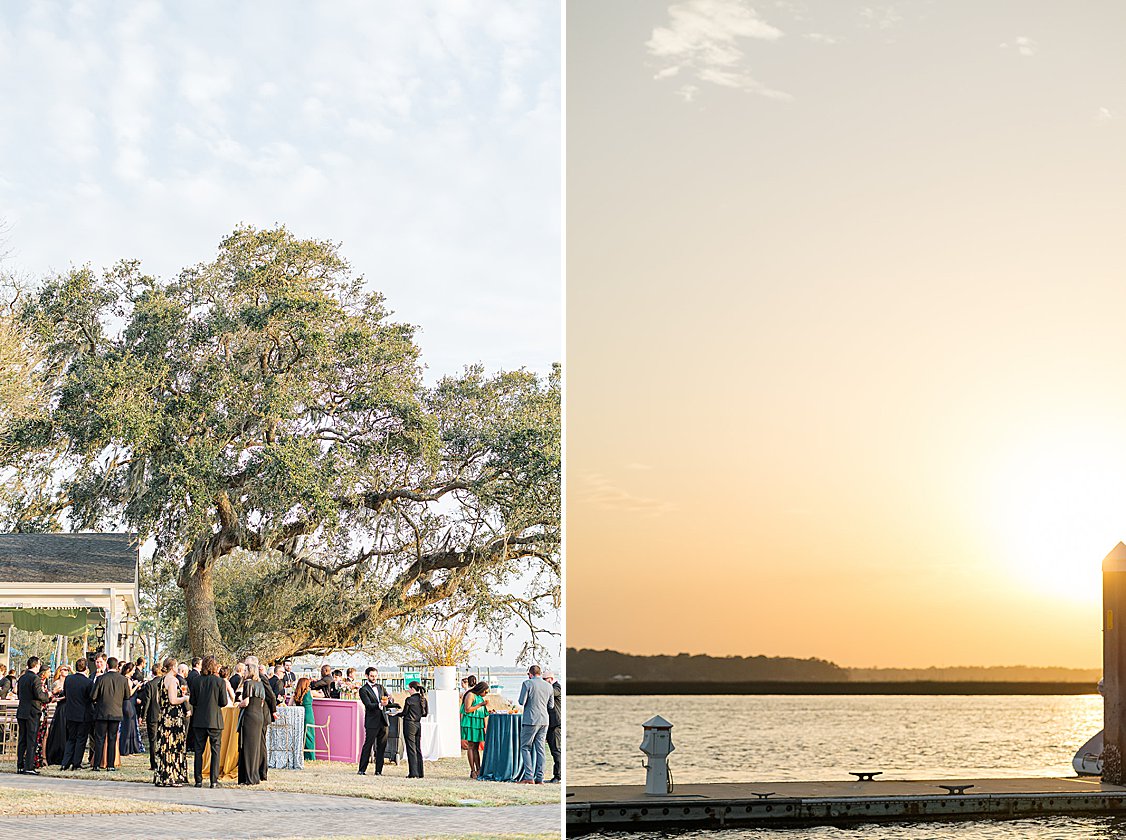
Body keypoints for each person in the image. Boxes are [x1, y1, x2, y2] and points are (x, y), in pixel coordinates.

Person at [192, 656, 228, 789]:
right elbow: (223, 702)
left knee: (198, 751)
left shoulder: (196, 681)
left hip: (199, 720)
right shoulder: (219, 682)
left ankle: (198, 780)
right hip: (214, 720)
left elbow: (193, 701)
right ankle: (213, 780)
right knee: (215, 750)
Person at [154, 656, 190, 787]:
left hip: (164, 715)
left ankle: (163, 775)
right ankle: (172, 776)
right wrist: (185, 698)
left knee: (165, 746)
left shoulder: (161, 680)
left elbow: (159, 699)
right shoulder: (173, 681)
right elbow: (173, 700)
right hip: (173, 717)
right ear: (173, 667)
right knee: (174, 746)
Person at [90, 656, 130, 771]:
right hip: (116, 712)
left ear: (107, 665)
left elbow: (93, 696)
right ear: (117, 666)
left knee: (99, 739)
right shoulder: (123, 679)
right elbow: (127, 696)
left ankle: (97, 764)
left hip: (101, 712)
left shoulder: (101, 679)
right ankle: (110, 765)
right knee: (112, 738)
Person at [517, 664, 554, 785]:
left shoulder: (527, 683)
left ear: (530, 673)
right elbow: (551, 706)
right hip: (544, 720)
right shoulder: (549, 686)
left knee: (525, 747)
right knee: (541, 749)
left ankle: (529, 776)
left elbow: (522, 701)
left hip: (531, 720)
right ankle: (540, 778)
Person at [16, 656, 49, 774]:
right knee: (31, 739)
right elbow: (39, 695)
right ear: (36, 665)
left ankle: (20, 765)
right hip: (32, 712)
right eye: (39, 664)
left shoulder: (22, 678)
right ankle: (29, 767)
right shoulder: (35, 679)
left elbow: (19, 694)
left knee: (22, 739)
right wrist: (48, 695)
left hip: (22, 711)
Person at [236, 666, 270, 785]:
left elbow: (246, 702)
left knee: (247, 747)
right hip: (259, 716)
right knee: (255, 747)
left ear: (249, 672)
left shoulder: (248, 683)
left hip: (249, 716)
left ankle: (248, 777)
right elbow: (261, 702)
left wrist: (238, 705)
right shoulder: (260, 684)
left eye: (245, 671)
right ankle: (254, 776)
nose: (244, 672)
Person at [61, 658, 94, 771]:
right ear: (86, 668)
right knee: (81, 739)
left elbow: (65, 693)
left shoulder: (68, 679)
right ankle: (76, 763)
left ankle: (65, 762)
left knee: (71, 738)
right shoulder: (88, 682)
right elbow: (91, 697)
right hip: (83, 714)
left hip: (70, 713)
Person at [358, 666, 391, 776]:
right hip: (372, 721)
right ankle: (362, 769)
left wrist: (390, 700)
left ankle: (378, 771)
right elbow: (368, 705)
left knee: (382, 747)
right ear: (366, 676)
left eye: (375, 676)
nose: (374, 678)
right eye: (372, 676)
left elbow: (387, 700)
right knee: (368, 745)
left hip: (383, 721)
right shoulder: (363, 690)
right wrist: (380, 704)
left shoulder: (381, 687)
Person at [137, 664, 164, 771]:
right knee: (163, 739)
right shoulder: (165, 682)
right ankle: (163, 761)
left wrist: (142, 716)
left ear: (152, 672)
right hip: (163, 714)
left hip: (153, 715)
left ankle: (153, 763)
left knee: (153, 740)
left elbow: (147, 701)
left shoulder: (150, 685)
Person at [461, 680, 489, 779]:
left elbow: (482, 713)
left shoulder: (480, 697)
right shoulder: (470, 695)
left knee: (476, 747)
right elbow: (467, 710)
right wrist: (480, 705)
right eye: (485, 692)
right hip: (470, 723)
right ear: (480, 690)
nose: (486, 694)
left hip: (478, 724)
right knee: (471, 746)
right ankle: (472, 770)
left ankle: (479, 769)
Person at [401, 681, 428, 779]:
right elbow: (425, 713)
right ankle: (420, 772)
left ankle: (413, 772)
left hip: (409, 724)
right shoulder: (423, 699)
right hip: (418, 724)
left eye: (409, 688)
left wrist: (396, 713)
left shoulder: (409, 699)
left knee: (411, 748)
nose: (408, 690)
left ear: (412, 689)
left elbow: (404, 712)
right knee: (417, 748)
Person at [45, 663, 70, 766]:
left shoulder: (69, 681)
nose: (65, 671)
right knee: (59, 730)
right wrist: (58, 696)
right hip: (60, 707)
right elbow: (53, 696)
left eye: (67, 670)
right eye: (64, 670)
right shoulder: (56, 683)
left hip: (67, 707)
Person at [118, 661, 141, 756]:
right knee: (127, 726)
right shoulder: (126, 680)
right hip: (127, 703)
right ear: (128, 670)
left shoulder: (125, 679)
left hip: (128, 704)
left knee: (130, 726)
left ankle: (130, 747)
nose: (134, 672)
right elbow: (129, 693)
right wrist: (137, 686)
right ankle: (126, 748)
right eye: (133, 670)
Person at [544, 670, 562, 783]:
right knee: (552, 750)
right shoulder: (551, 687)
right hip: (548, 723)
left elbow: (552, 692)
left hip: (555, 723)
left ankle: (558, 775)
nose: (543, 683)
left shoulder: (557, 688)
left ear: (550, 679)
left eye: (544, 680)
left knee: (556, 750)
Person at [295, 676, 315, 761]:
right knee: (310, 735)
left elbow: (290, 704)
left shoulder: (296, 693)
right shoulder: (310, 692)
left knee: (301, 734)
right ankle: (310, 756)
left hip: (300, 715)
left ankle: (302, 754)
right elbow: (323, 694)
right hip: (308, 715)